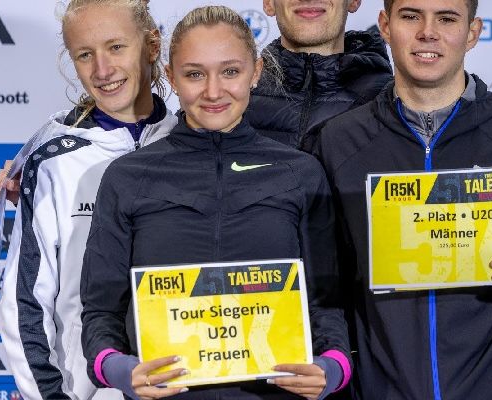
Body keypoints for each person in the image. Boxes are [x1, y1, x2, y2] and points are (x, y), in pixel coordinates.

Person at [312, 0, 492, 399]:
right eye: (411, 16)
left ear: (472, 32)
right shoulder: (338, 141)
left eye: (446, 18)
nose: (427, 32)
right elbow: (324, 285)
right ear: (385, 25)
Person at [79, 6, 350, 400]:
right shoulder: (128, 177)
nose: (213, 91)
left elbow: (327, 302)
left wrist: (333, 368)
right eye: (194, 74)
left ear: (256, 72)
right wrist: (117, 368)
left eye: (230, 72)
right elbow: (101, 308)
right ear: (171, 77)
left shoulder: (300, 173)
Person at [0, 1, 175, 399]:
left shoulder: (190, 144)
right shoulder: (53, 160)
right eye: (84, 55)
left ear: (151, 44)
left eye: (116, 47)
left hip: (185, 383)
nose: (102, 70)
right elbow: (24, 301)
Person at [250, 0, 492, 210]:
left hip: (366, 321)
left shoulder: (403, 102)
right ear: (267, 2)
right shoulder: (229, 104)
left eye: (446, 19)